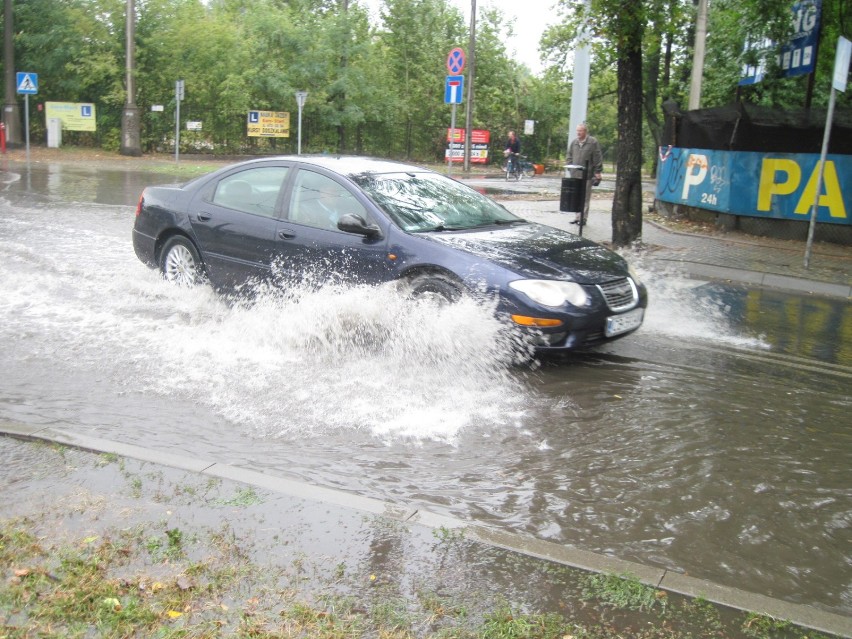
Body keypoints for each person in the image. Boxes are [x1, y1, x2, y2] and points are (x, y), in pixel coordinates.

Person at [567, 123, 603, 225]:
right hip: (575, 175)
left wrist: (597, 171)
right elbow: (569, 156)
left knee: (585, 198)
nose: (578, 132)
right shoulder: (574, 142)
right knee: (576, 197)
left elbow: (597, 157)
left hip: (587, 175)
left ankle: (583, 218)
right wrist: (570, 168)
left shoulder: (592, 142)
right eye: (577, 130)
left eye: (580, 131)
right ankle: (577, 217)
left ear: (585, 131)